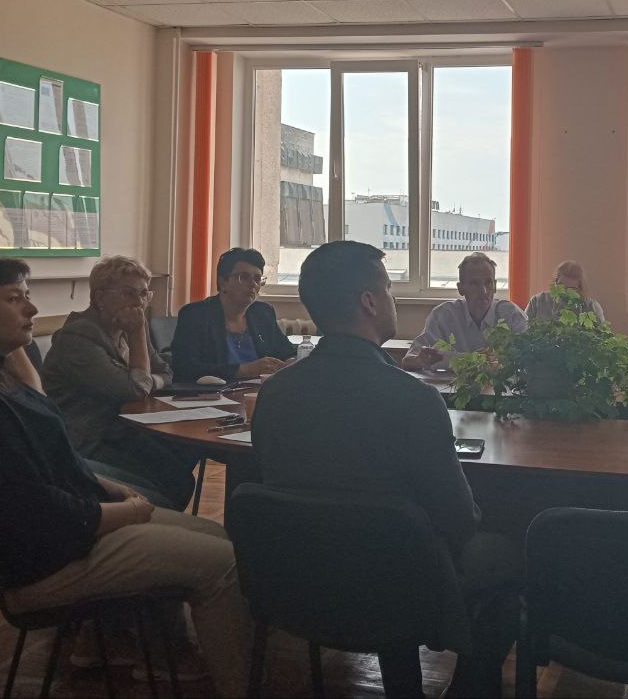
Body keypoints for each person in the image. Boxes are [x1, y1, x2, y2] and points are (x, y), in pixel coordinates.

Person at [0, 253, 249, 695]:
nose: (32, 309)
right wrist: (128, 511)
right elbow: (38, 510)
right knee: (224, 562)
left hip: (60, 534)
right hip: (46, 559)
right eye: (15, 298)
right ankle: (232, 680)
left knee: (216, 535)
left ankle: (142, 643)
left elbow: (55, 460)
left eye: (28, 296)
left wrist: (113, 490)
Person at [254, 241, 520, 698]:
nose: (393, 300)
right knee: (510, 556)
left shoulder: (274, 394)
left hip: (301, 577)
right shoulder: (414, 400)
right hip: (401, 583)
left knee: (381, 537)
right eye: (390, 291)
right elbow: (459, 523)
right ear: (369, 302)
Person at [43, 256, 196, 511]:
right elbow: (135, 390)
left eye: (144, 294)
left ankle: (157, 526)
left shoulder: (126, 327)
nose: (139, 302)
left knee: (180, 475)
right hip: (88, 441)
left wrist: (146, 379)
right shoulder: (78, 337)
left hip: (122, 431)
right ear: (99, 297)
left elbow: (165, 372)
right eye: (129, 293)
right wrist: (137, 338)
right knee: (168, 486)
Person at [171, 247, 292, 383]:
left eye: (257, 279)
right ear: (223, 282)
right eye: (244, 277)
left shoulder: (263, 313)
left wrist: (291, 362)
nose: (253, 284)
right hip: (214, 393)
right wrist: (245, 370)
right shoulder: (195, 315)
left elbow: (287, 352)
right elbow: (185, 369)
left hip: (259, 391)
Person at [403, 252, 527, 371]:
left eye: (488, 283)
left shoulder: (511, 315)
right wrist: (421, 360)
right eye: (474, 284)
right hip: (450, 385)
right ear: (460, 288)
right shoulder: (444, 315)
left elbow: (529, 360)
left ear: (494, 286)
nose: (483, 291)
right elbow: (407, 361)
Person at [525, 260, 606, 325]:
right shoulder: (537, 301)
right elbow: (523, 330)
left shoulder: (592, 307)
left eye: (572, 289)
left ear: (580, 288)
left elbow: (602, 336)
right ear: (556, 282)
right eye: (562, 287)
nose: (565, 293)